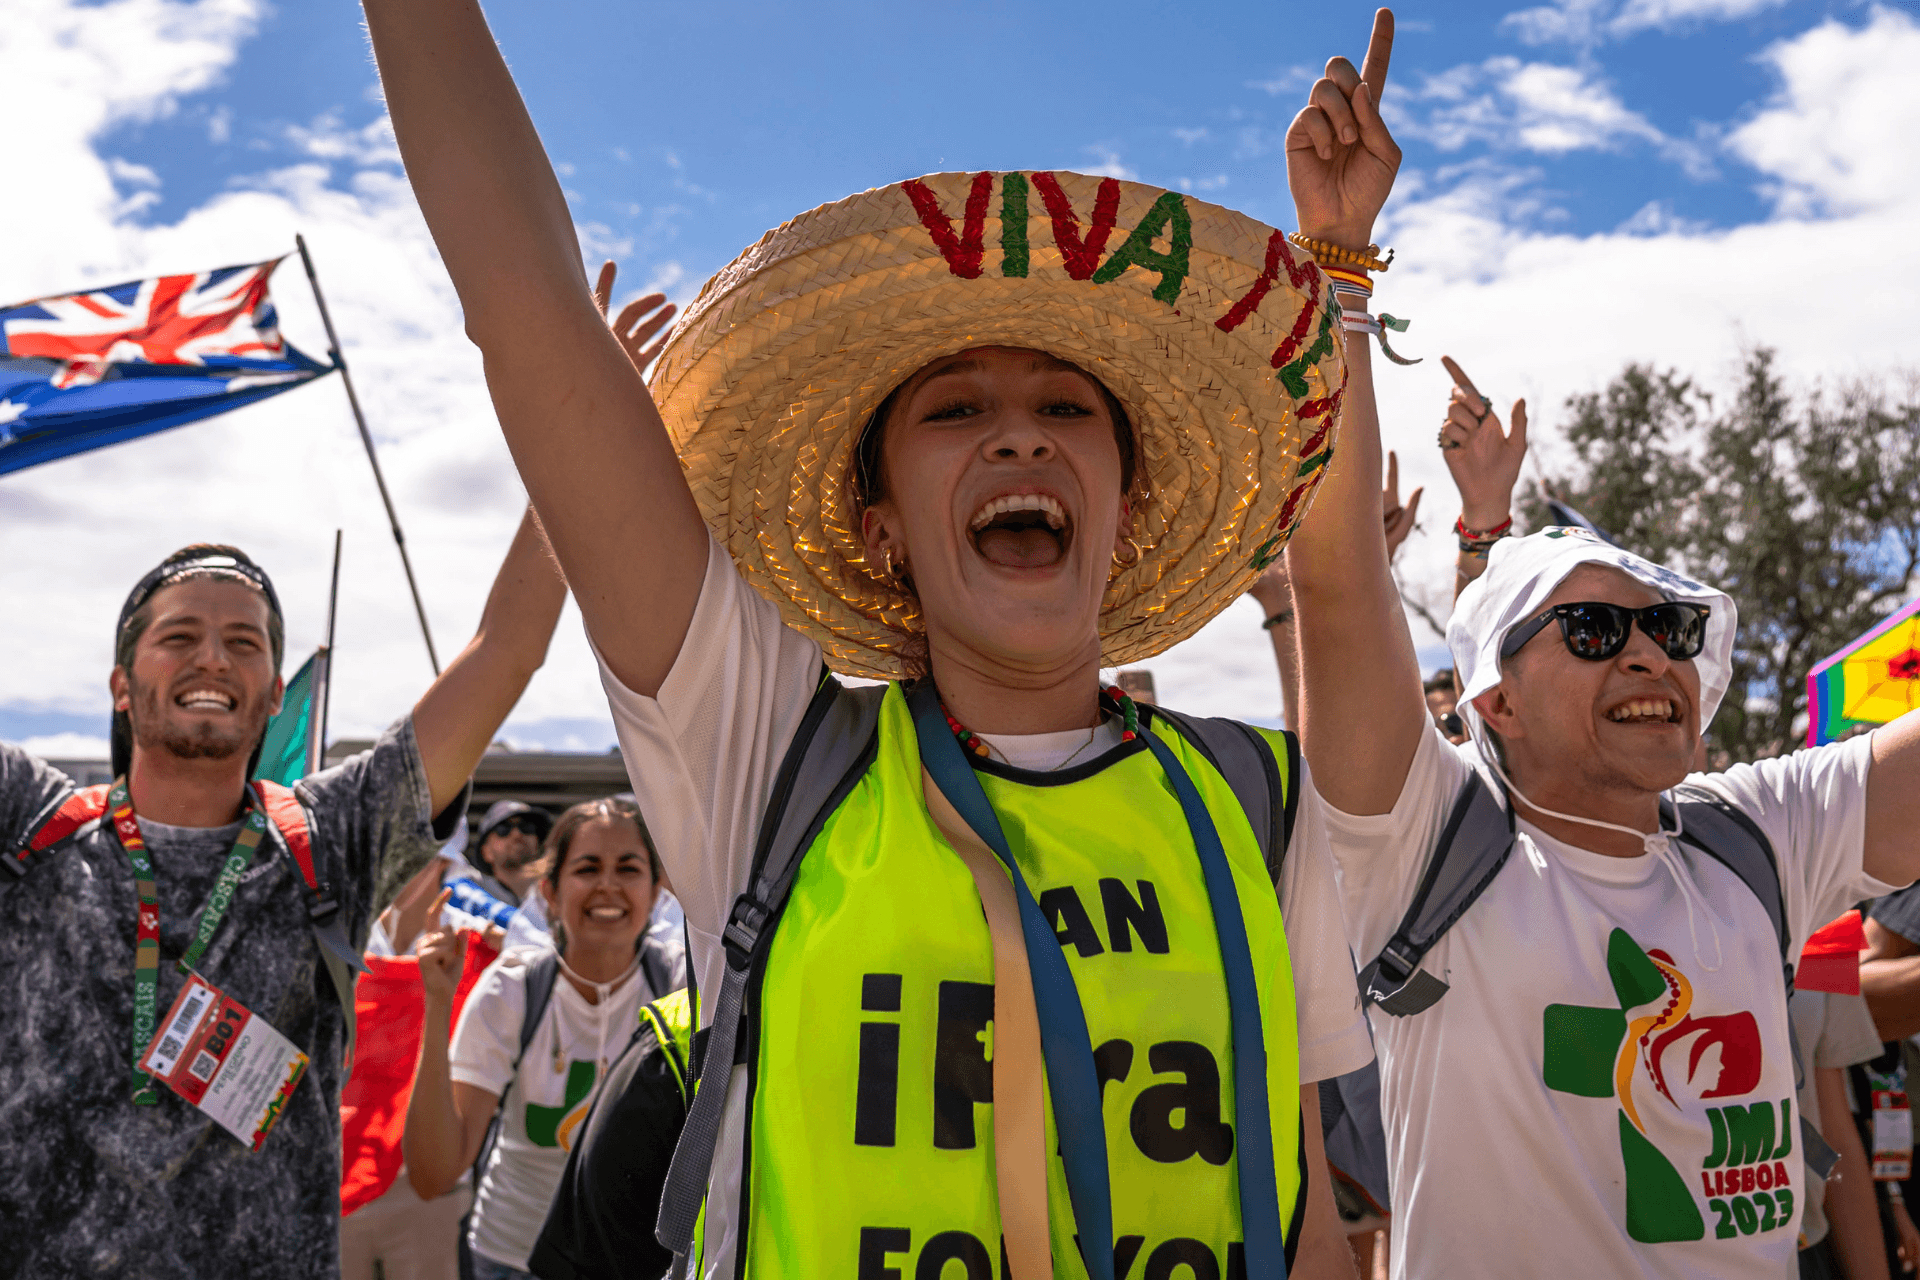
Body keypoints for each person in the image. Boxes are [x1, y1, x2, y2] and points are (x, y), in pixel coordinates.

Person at [363, 2, 1404, 1275]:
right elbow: (526, 315)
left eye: (1067, 406)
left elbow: (1301, 1214)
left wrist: (1340, 276)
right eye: (956, 408)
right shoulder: (769, 762)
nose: (1019, 436)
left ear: (1123, 515)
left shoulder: (1250, 804)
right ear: (881, 530)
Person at [1283, 270, 1920, 1280]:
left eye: (1666, 626)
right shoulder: (1427, 848)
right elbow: (1337, 582)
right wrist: (1343, 285)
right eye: (1591, 628)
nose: (1649, 655)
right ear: (1495, 700)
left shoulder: (1747, 837)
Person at [0, 505, 569, 1280]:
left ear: (273, 694)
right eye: (178, 638)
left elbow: (508, 650)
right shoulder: (29, 822)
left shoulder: (330, 838)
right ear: (121, 686)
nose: (213, 659)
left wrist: (614, 412)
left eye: (244, 643)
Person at [405, 796, 687, 1280]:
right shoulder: (511, 990)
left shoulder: (684, 983)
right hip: (514, 1261)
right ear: (550, 893)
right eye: (587, 868)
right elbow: (436, 1174)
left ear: (657, 890)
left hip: (644, 1262)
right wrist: (436, 1003)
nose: (608, 886)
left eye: (629, 868)